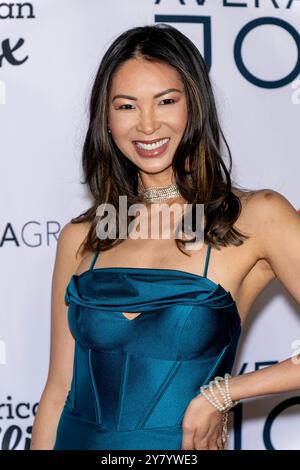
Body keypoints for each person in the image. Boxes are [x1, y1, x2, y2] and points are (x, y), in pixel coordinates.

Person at [30, 24, 300, 451]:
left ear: (195, 105)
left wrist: (226, 392)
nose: (148, 124)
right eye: (126, 106)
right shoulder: (83, 237)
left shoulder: (257, 217)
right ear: (106, 117)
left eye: (166, 101)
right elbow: (57, 393)